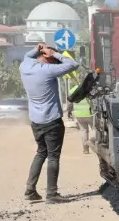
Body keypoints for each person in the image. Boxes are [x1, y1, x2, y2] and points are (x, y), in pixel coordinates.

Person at [19, 43, 79, 202]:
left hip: (36, 121)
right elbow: (73, 64)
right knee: (53, 156)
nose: (57, 64)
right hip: (52, 121)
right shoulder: (48, 71)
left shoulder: (24, 66)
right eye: (55, 61)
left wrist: (38, 49)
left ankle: (30, 190)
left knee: (41, 153)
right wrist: (55, 54)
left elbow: (28, 55)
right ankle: (52, 194)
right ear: (49, 58)